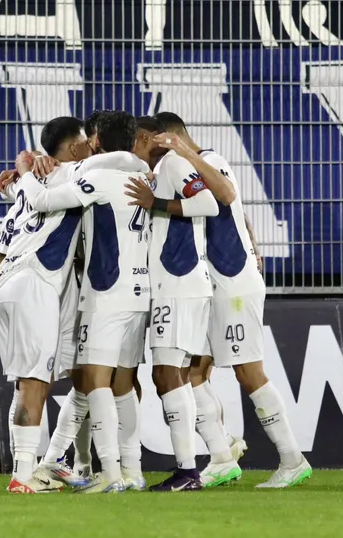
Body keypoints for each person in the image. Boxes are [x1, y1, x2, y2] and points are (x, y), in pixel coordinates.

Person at [131, 111, 311, 490]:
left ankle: (292, 458)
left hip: (233, 283)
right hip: (213, 283)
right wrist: (253, 242)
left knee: (249, 371)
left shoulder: (207, 160)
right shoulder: (188, 169)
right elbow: (238, 212)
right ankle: (221, 458)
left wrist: (182, 158)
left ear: (167, 138)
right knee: (195, 372)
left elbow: (225, 196)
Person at [0, 115, 142, 494]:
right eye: (86, 141)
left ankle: (46, 463)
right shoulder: (73, 175)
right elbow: (118, 161)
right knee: (36, 381)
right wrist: (27, 167)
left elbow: (16, 204)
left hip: (7, 280)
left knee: (34, 379)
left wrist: (24, 170)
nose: (92, 145)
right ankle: (24, 477)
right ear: (76, 147)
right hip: (37, 281)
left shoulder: (31, 186)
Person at [124, 116, 221, 492]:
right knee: (173, 375)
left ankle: (188, 471)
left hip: (179, 285)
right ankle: (188, 469)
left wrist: (157, 203)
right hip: (176, 286)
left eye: (134, 142)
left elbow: (209, 202)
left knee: (167, 375)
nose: (131, 149)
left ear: (147, 138)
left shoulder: (175, 164)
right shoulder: (160, 169)